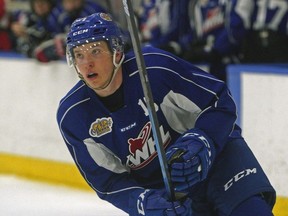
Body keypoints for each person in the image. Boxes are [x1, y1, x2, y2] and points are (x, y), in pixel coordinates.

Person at [57, 12, 276, 216]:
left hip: (219, 160)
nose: (87, 63)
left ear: (117, 52)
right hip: (166, 191)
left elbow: (219, 101)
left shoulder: (155, 68)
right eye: (79, 55)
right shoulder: (73, 115)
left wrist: (203, 140)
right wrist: (142, 202)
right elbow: (108, 182)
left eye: (95, 50)